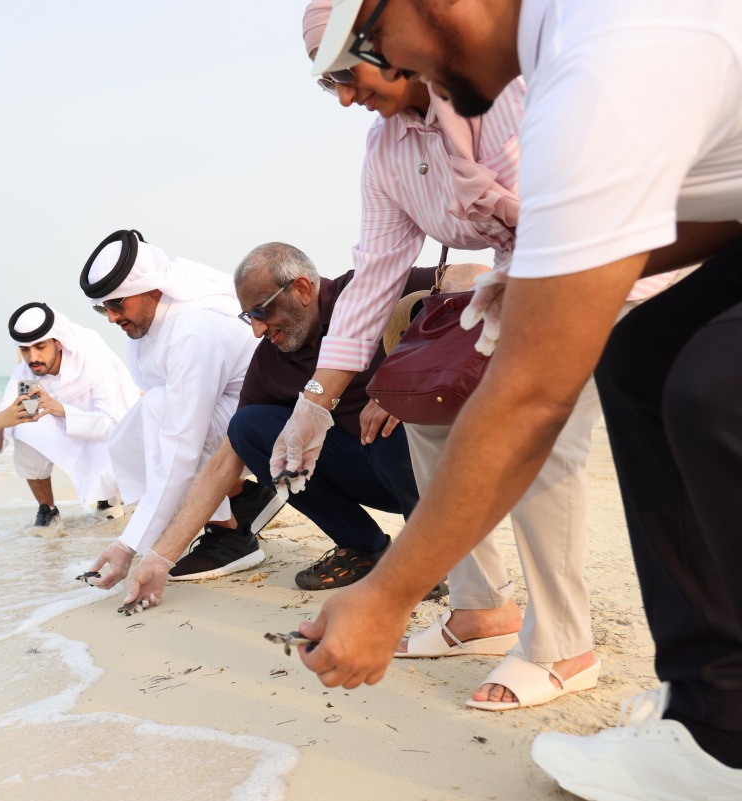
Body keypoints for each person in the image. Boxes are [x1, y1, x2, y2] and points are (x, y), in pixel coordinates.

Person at [297, 1, 742, 797]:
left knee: (710, 392)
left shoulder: (592, 62)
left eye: (361, 50)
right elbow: (719, 200)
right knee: (642, 361)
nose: (360, 82)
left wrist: (388, 594)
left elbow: (531, 396)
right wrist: (548, 267)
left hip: (598, 273)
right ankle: (717, 710)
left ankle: (607, 667)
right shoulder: (545, 47)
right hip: (629, 254)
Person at [117, 242, 459, 609]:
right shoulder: (270, 360)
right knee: (248, 427)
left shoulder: (365, 293)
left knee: (392, 422)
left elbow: (473, 277)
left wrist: (408, 382)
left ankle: (433, 555)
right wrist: (160, 558)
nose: (258, 330)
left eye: (263, 311)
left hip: (436, 470)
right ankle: (363, 547)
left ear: (302, 288)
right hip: (369, 470)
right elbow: (223, 464)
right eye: (250, 317)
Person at [77, 229, 264, 591]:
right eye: (104, 308)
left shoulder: (191, 330)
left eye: (117, 305)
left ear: (151, 290)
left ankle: (232, 538)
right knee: (125, 436)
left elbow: (181, 444)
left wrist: (128, 545)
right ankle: (242, 496)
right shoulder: (149, 324)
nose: (111, 318)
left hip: (268, 424)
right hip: (233, 416)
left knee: (162, 413)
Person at [0, 302, 138, 534]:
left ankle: (109, 497)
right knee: (23, 428)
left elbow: (113, 424)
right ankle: (48, 509)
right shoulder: (23, 373)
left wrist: (60, 409)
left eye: (40, 346)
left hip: (107, 428)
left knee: (115, 464)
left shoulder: (92, 357)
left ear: (58, 342)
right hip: (68, 425)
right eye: (25, 349)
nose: (32, 357)